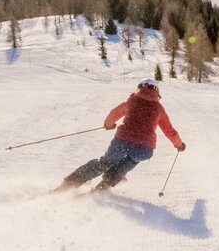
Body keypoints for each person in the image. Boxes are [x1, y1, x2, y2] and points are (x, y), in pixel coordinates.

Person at [57, 79, 186, 192]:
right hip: (144, 149)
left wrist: (108, 124)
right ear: (157, 92)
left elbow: (115, 112)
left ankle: (68, 185)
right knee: (127, 163)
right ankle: (100, 190)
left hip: (123, 141)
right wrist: (179, 145)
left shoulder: (132, 100)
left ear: (139, 88)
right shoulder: (159, 108)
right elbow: (169, 130)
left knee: (104, 163)